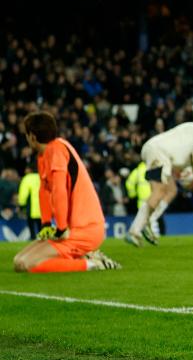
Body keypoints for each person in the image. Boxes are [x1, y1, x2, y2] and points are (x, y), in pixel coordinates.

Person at [12, 112, 120, 273]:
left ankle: (94, 264)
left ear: (32, 137)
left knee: (29, 264)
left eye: (26, 134)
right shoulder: (44, 155)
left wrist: (61, 228)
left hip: (84, 229)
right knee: (18, 261)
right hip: (72, 229)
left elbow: (59, 190)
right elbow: (45, 190)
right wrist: (46, 224)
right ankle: (86, 256)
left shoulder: (56, 150)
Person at [127, 110, 193, 246]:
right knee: (159, 191)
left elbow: (183, 151)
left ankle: (150, 220)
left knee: (171, 190)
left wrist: (185, 173)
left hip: (159, 152)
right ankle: (134, 230)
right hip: (159, 152)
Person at [17, 162, 40, 240]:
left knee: (31, 224)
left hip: (31, 207)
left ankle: (33, 237)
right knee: (41, 225)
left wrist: (21, 204)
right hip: (42, 207)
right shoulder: (41, 177)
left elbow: (23, 193)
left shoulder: (27, 178)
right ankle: (43, 240)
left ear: (29, 169)